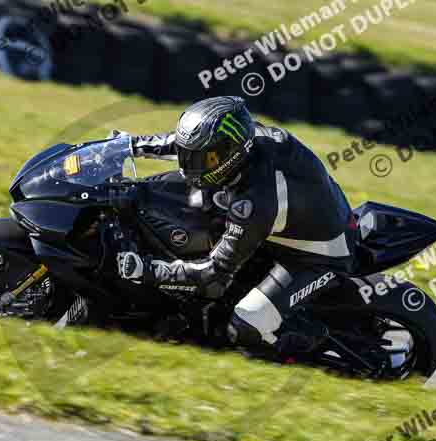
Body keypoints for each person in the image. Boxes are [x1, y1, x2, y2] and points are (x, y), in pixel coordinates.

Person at [116, 96, 356, 355]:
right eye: (188, 156)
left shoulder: (256, 201)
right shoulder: (243, 139)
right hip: (299, 217)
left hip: (317, 256)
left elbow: (213, 274)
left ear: (229, 155)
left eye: (201, 160)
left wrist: (148, 271)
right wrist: (128, 145)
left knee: (244, 326)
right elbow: (187, 144)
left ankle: (312, 347)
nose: (187, 165)